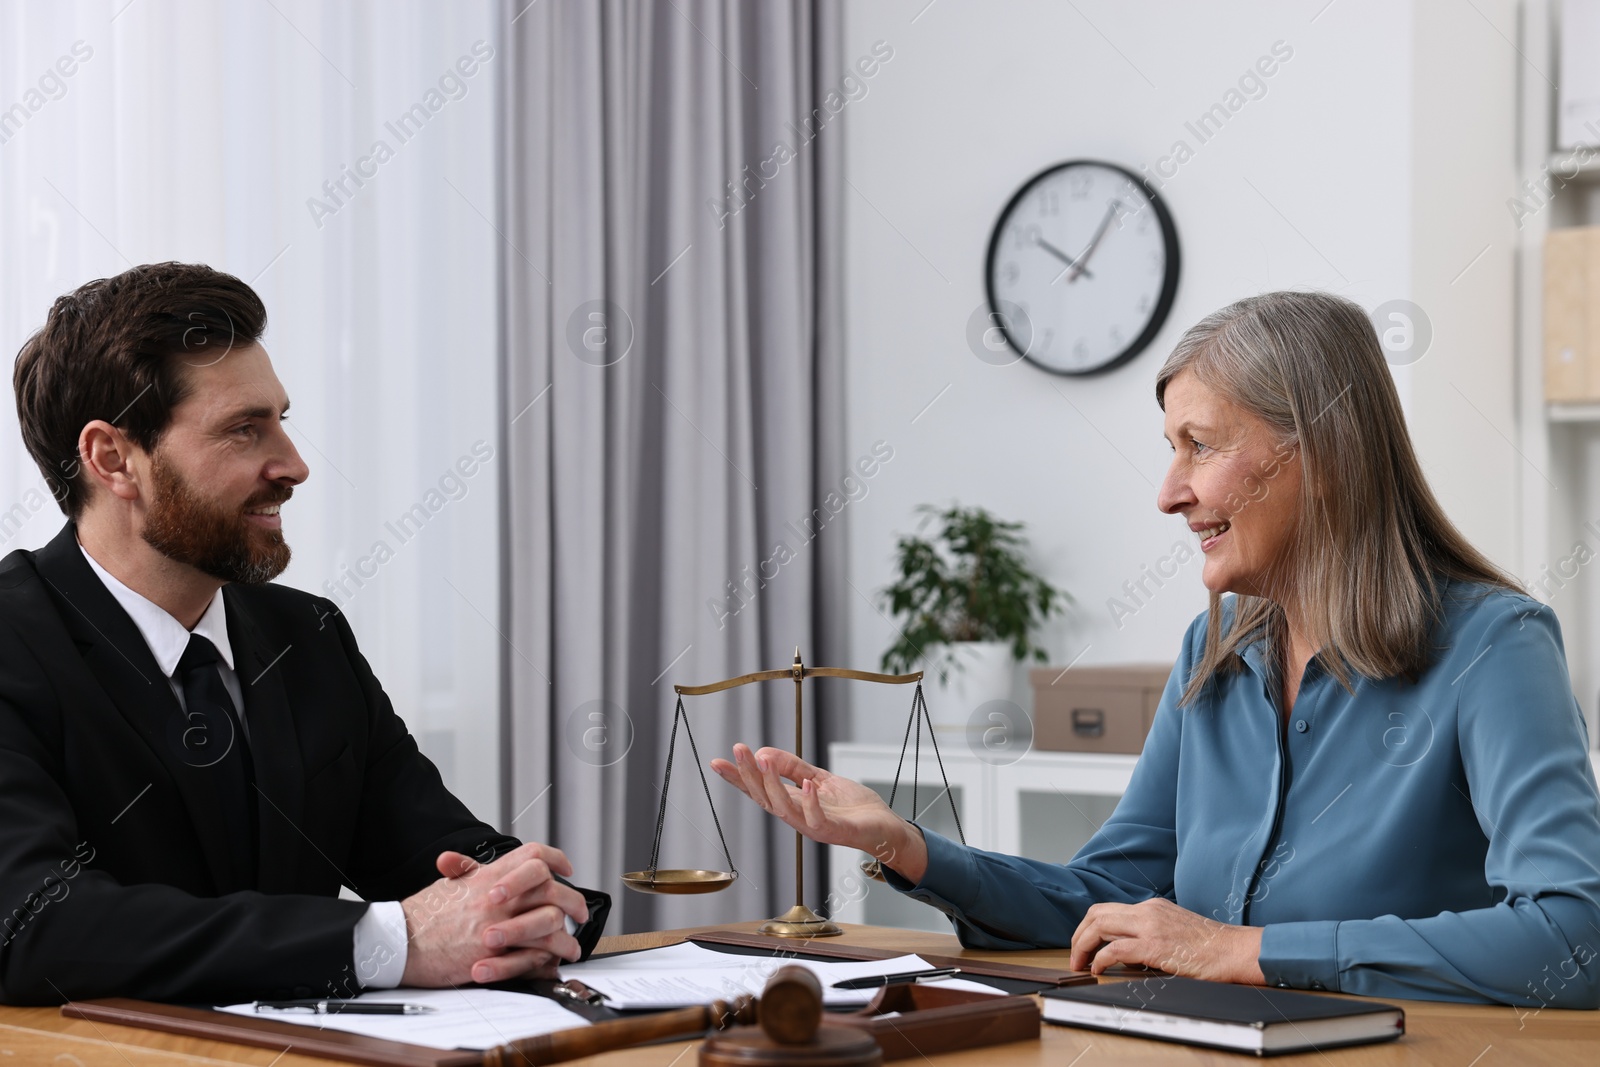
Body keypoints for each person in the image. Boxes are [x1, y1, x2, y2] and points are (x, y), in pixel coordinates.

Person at [713, 291, 1600, 1008]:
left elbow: (1576, 935)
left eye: (1200, 446)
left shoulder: (1494, 646)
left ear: (1316, 453)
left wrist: (1248, 951)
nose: (1170, 493)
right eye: (1171, 450)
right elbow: (1107, 894)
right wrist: (910, 844)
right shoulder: (1214, 651)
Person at [0, 263, 608, 1006]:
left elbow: (437, 857)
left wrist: (536, 903)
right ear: (112, 458)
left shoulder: (307, 633)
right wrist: (387, 940)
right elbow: (34, 924)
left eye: (281, 419)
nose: (293, 465)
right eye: (243, 429)